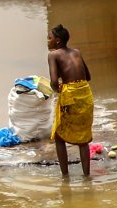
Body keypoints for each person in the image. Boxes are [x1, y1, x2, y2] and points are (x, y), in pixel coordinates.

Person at [47, 24, 93, 177]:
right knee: (83, 138)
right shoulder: (77, 52)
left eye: (50, 38)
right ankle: (87, 177)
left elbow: (54, 82)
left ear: (58, 41)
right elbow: (88, 77)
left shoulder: (53, 55)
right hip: (85, 94)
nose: (48, 41)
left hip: (71, 95)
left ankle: (65, 177)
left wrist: (57, 89)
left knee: (59, 136)